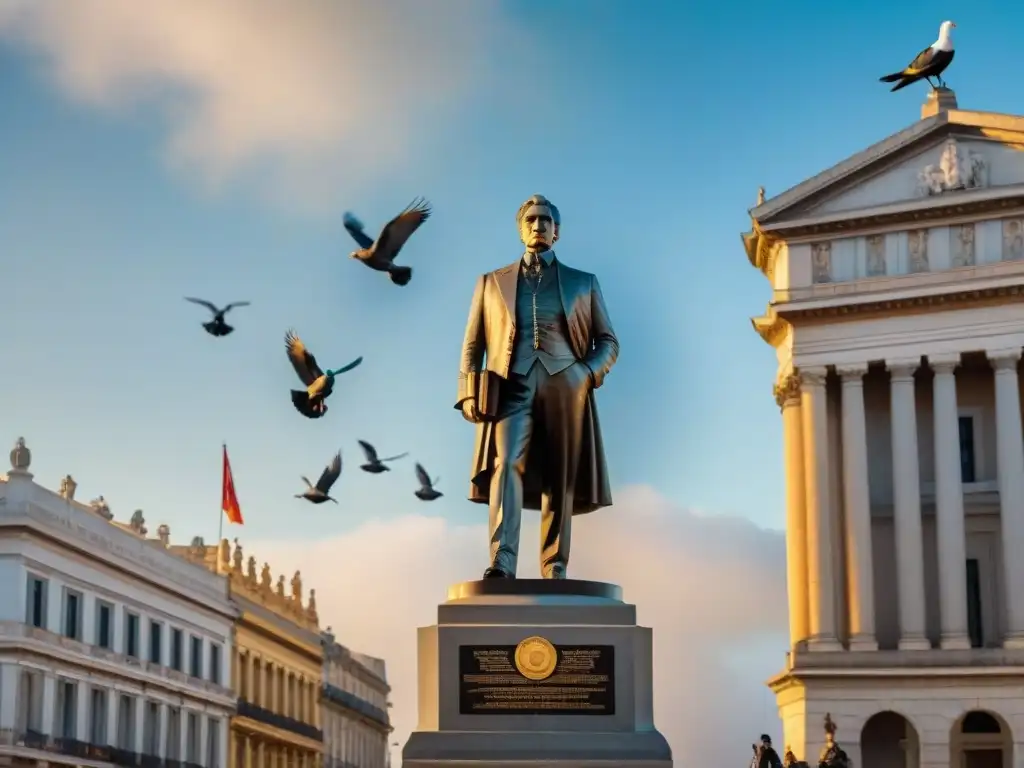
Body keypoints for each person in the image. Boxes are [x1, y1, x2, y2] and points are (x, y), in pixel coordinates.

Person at [456, 194, 618, 579]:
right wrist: (466, 390)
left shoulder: (584, 283)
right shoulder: (490, 283)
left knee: (559, 476)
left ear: (556, 231)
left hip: (566, 383)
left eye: (545, 220)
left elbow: (608, 341)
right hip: (510, 385)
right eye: (531, 220)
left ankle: (555, 564)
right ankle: (502, 559)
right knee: (505, 464)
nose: (538, 226)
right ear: (520, 228)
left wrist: (586, 373)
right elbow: (472, 344)